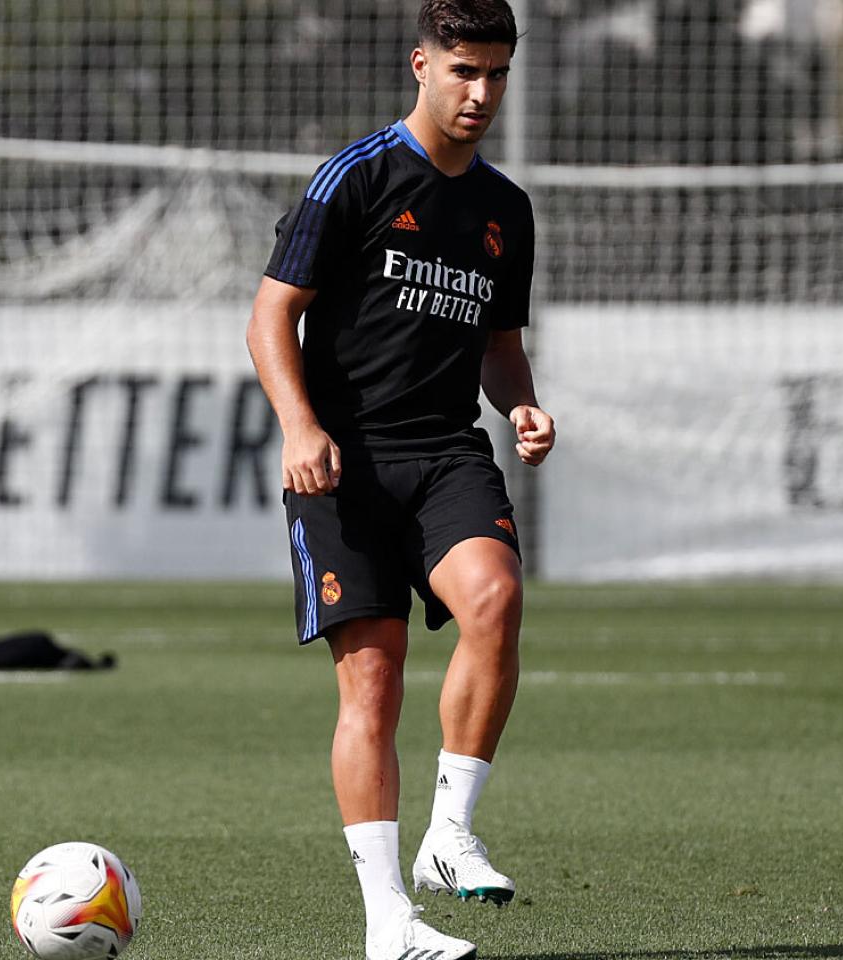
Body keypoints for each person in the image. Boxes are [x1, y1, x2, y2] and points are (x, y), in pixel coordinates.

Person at [245, 2, 552, 958]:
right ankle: (389, 924)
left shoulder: (505, 209)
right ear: (421, 63)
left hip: (447, 451)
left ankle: (450, 836)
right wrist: (300, 424)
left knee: (495, 599)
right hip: (342, 463)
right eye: (465, 70)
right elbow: (269, 317)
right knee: (371, 692)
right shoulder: (357, 177)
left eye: (497, 73)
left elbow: (499, 346)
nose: (482, 92)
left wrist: (524, 406)